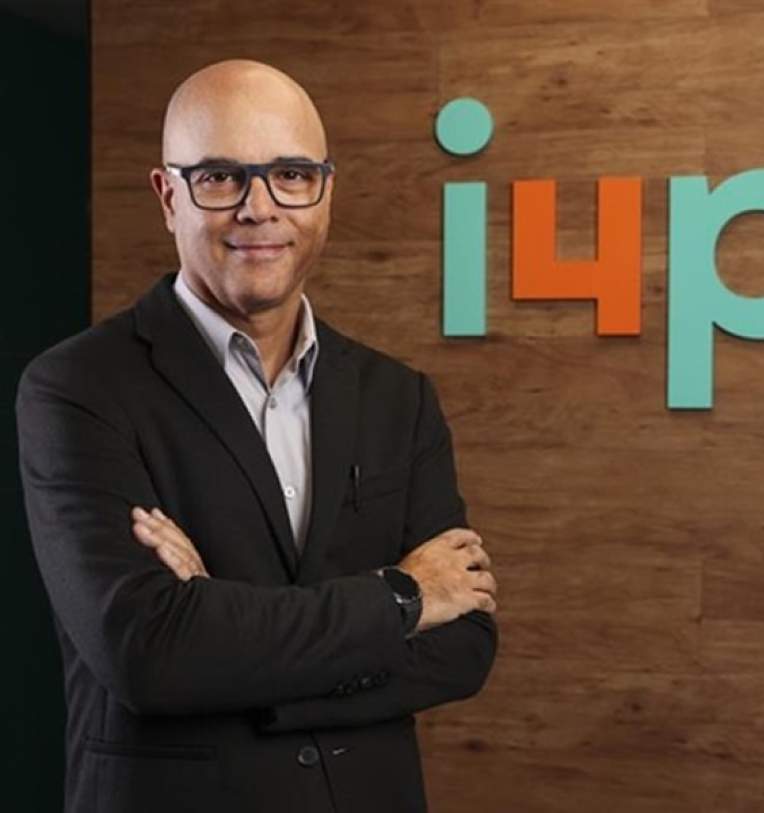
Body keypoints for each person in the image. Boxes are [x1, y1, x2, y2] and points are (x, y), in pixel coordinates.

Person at [15, 58, 498, 813]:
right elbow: (147, 651)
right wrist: (403, 596)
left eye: (291, 175)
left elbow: (464, 645)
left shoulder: (398, 398)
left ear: (326, 192)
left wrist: (224, 634)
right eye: (220, 177)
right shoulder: (77, 388)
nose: (259, 208)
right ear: (167, 195)